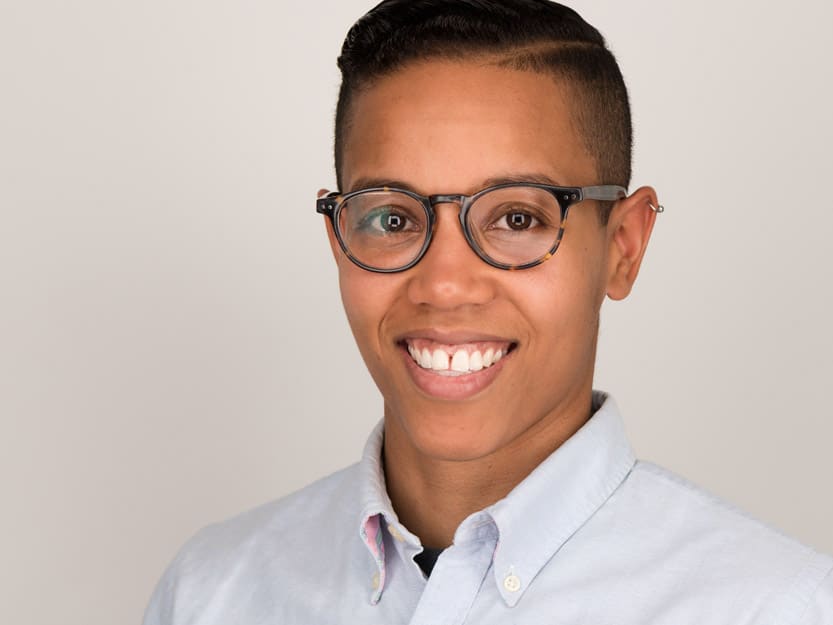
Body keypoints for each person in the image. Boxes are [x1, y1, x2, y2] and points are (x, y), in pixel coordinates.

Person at [143, 1, 833, 623]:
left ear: (622, 247)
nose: (444, 285)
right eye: (391, 218)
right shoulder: (212, 593)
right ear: (339, 240)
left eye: (516, 217)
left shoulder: (775, 607)